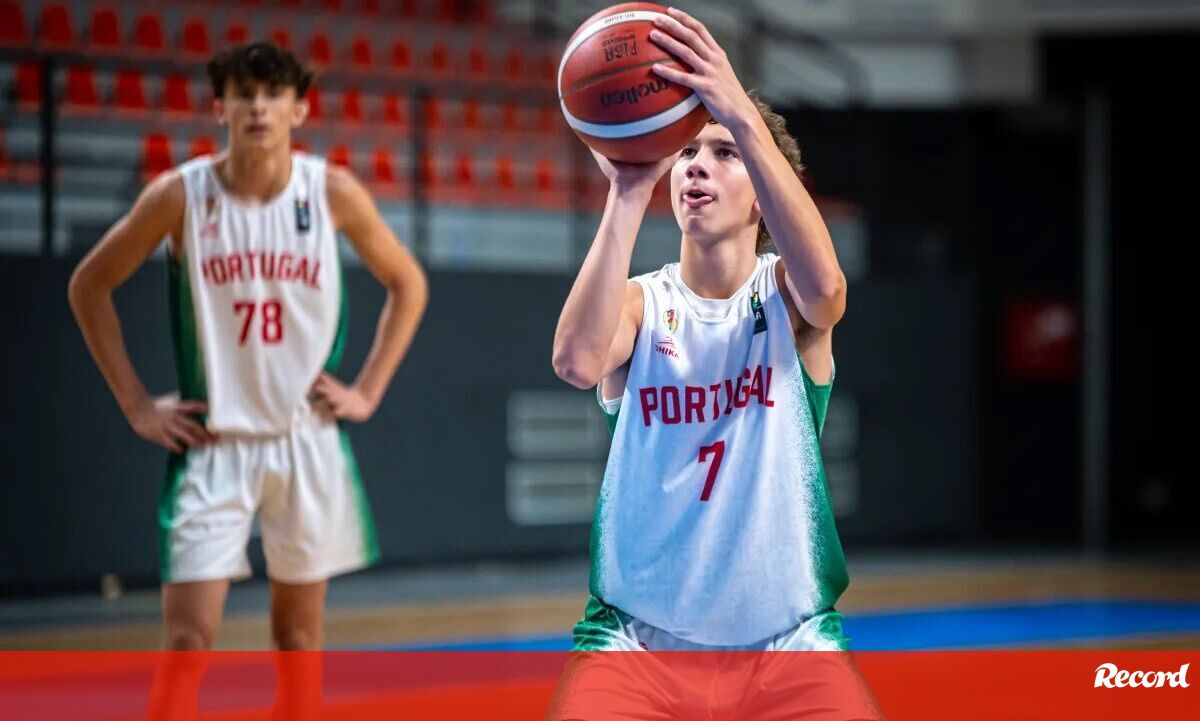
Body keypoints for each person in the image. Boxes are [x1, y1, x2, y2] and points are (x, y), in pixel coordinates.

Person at [67, 41, 427, 717]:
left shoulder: (330, 192)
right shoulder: (180, 195)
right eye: (244, 93)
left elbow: (407, 282)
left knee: (298, 643)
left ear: (299, 109)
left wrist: (368, 389)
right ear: (220, 107)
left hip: (304, 438)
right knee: (187, 641)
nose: (258, 106)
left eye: (272, 94)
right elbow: (89, 285)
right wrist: (137, 405)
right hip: (215, 441)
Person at [548, 8, 880, 719]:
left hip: (790, 644)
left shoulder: (786, 299)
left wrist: (740, 112)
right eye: (687, 152)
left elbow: (827, 291)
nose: (696, 164)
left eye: (724, 152)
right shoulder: (641, 305)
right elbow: (575, 361)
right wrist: (627, 190)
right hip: (635, 645)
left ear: (762, 187)